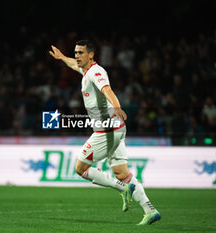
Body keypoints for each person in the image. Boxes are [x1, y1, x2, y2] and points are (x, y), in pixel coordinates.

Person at [49, 40, 160, 225]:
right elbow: (72, 64)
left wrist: (117, 108)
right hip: (115, 129)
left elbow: (107, 89)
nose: (76, 55)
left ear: (91, 55)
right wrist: (62, 58)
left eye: (80, 52)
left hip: (108, 129)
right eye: (75, 52)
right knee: (122, 173)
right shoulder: (86, 70)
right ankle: (150, 210)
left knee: (80, 169)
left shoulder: (96, 72)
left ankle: (123, 189)